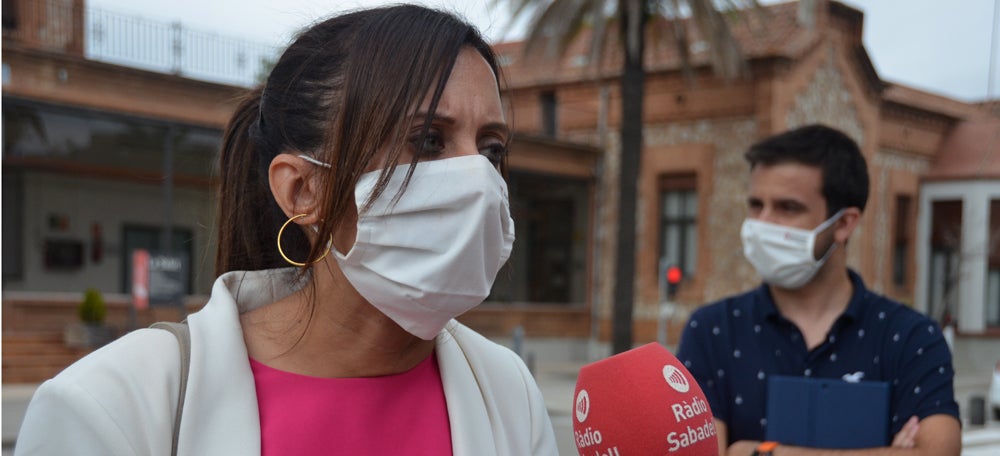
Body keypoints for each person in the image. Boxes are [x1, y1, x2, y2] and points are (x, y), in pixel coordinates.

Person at [15, 5, 557, 455]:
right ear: (302, 190)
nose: (480, 179)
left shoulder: (510, 395)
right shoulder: (112, 408)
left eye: (492, 149)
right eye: (429, 141)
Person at [676, 125, 961, 456]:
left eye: (788, 207)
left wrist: (761, 453)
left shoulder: (911, 337)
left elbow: (938, 453)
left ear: (844, 224)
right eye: (756, 205)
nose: (763, 223)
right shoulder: (712, 331)